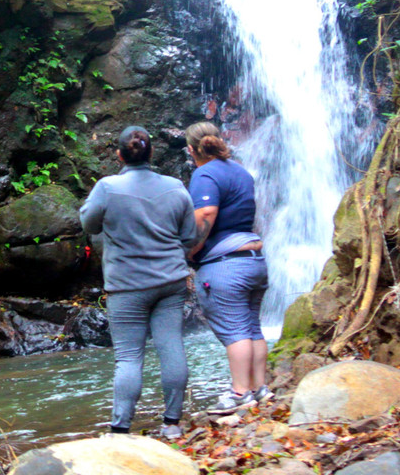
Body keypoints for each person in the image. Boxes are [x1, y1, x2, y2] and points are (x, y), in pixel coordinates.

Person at [80, 125, 198, 439]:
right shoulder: (175, 186)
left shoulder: (107, 187)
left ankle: (120, 431)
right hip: (171, 279)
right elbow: (189, 236)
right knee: (171, 345)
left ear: (119, 155)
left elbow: (89, 224)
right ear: (152, 153)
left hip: (127, 285)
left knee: (129, 356)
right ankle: (172, 424)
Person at [184, 121, 272, 415]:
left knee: (236, 332)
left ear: (191, 149)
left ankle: (239, 393)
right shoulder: (241, 171)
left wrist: (191, 251)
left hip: (225, 265)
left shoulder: (204, 173)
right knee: (252, 328)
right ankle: (260, 388)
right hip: (253, 260)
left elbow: (206, 214)